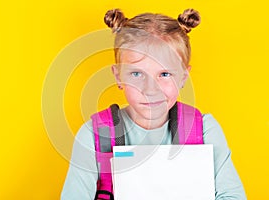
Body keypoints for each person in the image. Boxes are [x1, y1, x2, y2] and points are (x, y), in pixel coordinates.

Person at [61, 8, 246, 199]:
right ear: (118, 76)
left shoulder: (206, 130)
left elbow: (232, 196)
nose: (151, 90)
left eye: (164, 74)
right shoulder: (94, 135)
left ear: (183, 77)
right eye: (137, 74)